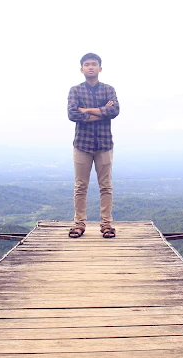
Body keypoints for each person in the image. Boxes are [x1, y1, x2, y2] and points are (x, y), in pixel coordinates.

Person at [67, 53, 120, 238]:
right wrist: (101, 112)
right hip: (82, 144)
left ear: (100, 68)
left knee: (105, 186)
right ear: (81, 69)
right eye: (87, 64)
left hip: (104, 144)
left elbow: (114, 110)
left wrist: (87, 110)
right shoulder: (75, 90)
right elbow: (73, 114)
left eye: (94, 64)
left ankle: (106, 225)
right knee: (81, 186)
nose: (90, 67)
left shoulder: (108, 89)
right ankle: (79, 224)